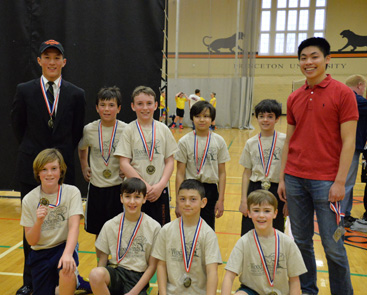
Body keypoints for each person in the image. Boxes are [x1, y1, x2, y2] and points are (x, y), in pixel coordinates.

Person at [278, 37, 358, 295]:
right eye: (303, 58)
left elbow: (349, 142)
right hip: (294, 178)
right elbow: (289, 140)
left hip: (327, 182)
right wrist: (282, 178)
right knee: (301, 242)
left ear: (327, 59)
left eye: (314, 56)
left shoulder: (343, 93)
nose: (308, 62)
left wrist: (340, 182)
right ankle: (308, 291)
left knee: (333, 245)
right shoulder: (294, 97)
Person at [11, 39, 86, 295]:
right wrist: (39, 160)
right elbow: (18, 127)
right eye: (47, 57)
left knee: (65, 224)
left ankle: (68, 271)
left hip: (62, 170)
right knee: (32, 227)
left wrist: (58, 161)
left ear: (64, 62)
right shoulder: (25, 90)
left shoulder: (76, 94)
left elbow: (76, 132)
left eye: (57, 58)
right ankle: (29, 281)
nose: (52, 62)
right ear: (39, 61)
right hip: (33, 170)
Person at [20, 148, 84, 295]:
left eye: (54, 168)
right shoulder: (29, 199)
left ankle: (73, 279)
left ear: (61, 170)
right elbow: (31, 241)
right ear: (38, 173)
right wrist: (38, 222)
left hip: (63, 246)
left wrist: (68, 254)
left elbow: (74, 227)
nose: (49, 174)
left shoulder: (72, 192)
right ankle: (77, 283)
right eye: (44, 169)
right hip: (40, 252)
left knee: (66, 270)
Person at [221, 190, 307, 295]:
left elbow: (294, 280)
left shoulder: (287, 243)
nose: (261, 215)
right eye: (256, 210)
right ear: (249, 213)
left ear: (275, 213)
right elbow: (229, 276)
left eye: (267, 211)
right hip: (252, 290)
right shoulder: (243, 242)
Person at [115, 86, 178, 226]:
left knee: (160, 233)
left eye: (149, 103)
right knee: (134, 231)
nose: (145, 108)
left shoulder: (164, 130)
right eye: (140, 104)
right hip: (135, 193)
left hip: (159, 192)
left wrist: (161, 185)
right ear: (132, 106)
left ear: (156, 105)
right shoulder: (129, 130)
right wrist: (145, 187)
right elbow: (124, 163)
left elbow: (170, 161)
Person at [78, 86, 127, 262]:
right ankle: (102, 266)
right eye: (103, 105)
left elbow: (132, 154)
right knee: (99, 230)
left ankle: (119, 265)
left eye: (111, 105)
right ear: (97, 108)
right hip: (97, 188)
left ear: (119, 108)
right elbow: (82, 148)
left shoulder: (126, 130)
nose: (107, 109)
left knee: (119, 229)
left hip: (118, 189)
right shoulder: (89, 129)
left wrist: (125, 167)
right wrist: (84, 166)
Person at [89, 177, 161, 295]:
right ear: (121, 198)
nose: (132, 202)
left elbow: (152, 266)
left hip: (137, 278)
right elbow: (102, 259)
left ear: (144, 199)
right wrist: (98, 282)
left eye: (137, 197)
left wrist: (133, 292)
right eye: (128, 196)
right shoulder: (110, 225)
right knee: (95, 274)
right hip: (115, 272)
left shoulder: (154, 227)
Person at [152, 179, 222, 295]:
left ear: (203, 202)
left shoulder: (208, 234)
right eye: (182, 199)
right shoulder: (166, 230)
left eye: (193, 199)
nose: (187, 203)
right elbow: (161, 266)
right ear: (177, 201)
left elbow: (212, 272)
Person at [175, 100, 230, 230]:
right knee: (188, 227)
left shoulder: (219, 141)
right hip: (190, 189)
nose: (202, 120)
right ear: (192, 118)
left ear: (212, 119)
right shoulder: (184, 141)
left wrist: (221, 200)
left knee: (208, 228)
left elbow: (222, 173)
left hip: (210, 190)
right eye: (198, 116)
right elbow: (180, 173)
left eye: (206, 116)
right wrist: (178, 201)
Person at [239, 99, 286, 236]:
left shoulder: (285, 141)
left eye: (270, 116)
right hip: (255, 188)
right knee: (249, 230)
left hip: (277, 190)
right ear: (256, 117)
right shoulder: (251, 143)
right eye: (261, 116)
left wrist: (288, 201)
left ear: (277, 118)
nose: (265, 120)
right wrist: (243, 200)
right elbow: (246, 173)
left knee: (275, 230)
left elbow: (289, 172)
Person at [341, 75, 367, 227]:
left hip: (350, 146)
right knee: (347, 183)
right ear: (359, 85)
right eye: (364, 87)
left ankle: (346, 213)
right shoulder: (354, 99)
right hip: (349, 147)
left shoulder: (346, 97)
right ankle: (342, 215)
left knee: (348, 182)